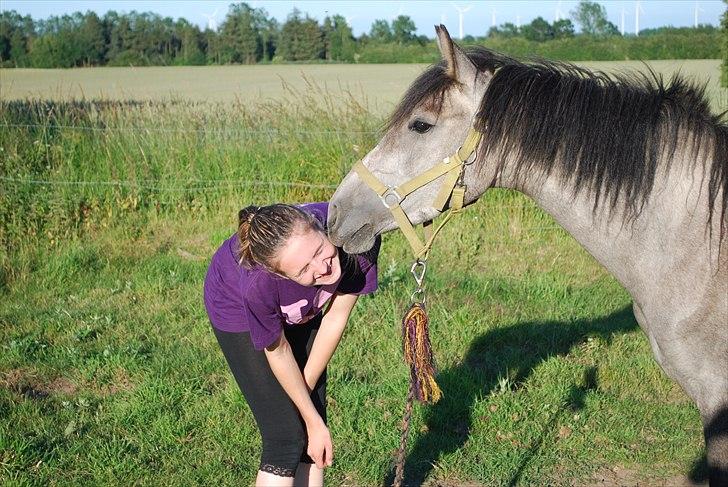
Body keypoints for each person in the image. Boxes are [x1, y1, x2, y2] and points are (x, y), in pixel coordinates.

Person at [203, 202, 380, 487]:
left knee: (313, 425)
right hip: (235, 308)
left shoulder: (356, 237)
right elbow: (279, 350)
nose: (322, 267)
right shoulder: (259, 285)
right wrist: (300, 413)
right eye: (304, 270)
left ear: (321, 228)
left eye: (319, 250)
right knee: (285, 436)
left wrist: (307, 408)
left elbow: (335, 318)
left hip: (299, 307)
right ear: (283, 275)